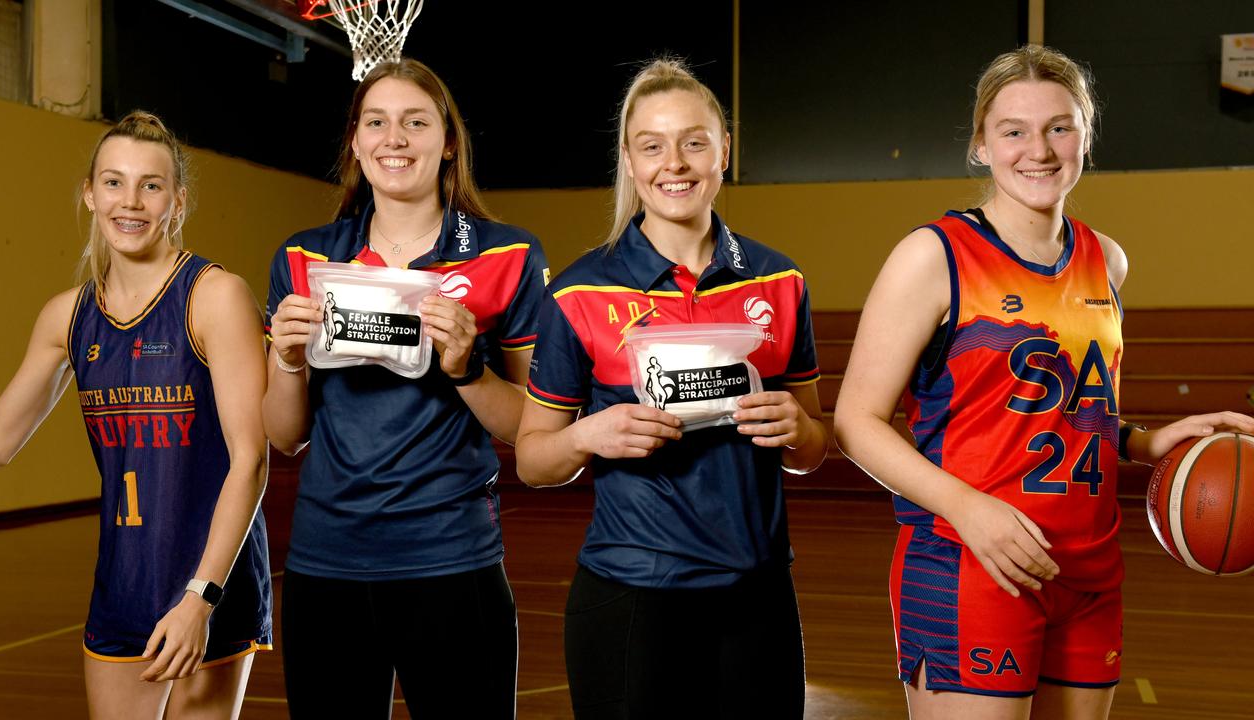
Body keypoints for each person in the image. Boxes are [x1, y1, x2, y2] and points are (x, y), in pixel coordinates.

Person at [832, 45, 1254, 720]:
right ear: (981, 145)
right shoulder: (932, 256)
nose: (1040, 149)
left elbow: (1059, 415)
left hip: (1088, 572)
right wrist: (967, 510)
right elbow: (855, 422)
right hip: (972, 562)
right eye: (1014, 130)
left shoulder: (1106, 261)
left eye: (1060, 126)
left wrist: (1146, 441)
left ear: (1086, 135)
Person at [515, 59, 829, 720]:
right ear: (629, 161)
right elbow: (533, 458)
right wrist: (586, 434)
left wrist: (799, 432)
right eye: (652, 145)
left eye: (694, 141)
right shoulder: (577, 292)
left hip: (758, 595)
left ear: (724, 152)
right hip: (632, 595)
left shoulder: (780, 282)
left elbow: (813, 445)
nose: (674, 163)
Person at [263, 58, 548, 719]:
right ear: (356, 142)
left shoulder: (508, 256)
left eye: (416, 122)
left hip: (451, 556)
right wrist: (287, 359)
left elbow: (531, 427)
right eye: (378, 122)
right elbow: (285, 433)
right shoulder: (304, 258)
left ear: (448, 140)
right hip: (325, 562)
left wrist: (465, 367)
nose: (395, 138)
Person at [0, 110, 272, 719]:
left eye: (151, 185)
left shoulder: (215, 297)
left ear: (177, 201)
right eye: (113, 182)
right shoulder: (67, 315)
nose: (129, 201)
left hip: (211, 582)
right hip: (124, 580)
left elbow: (251, 459)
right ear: (89, 194)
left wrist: (201, 598)